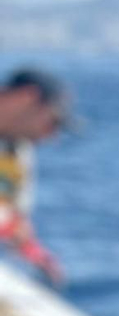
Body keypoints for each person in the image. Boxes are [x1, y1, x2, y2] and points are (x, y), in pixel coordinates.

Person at [0, 67, 74, 286]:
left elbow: (16, 221)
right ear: (27, 98)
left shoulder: (19, 153)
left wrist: (36, 254)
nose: (52, 136)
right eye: (53, 122)